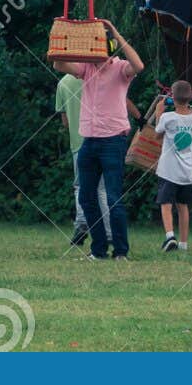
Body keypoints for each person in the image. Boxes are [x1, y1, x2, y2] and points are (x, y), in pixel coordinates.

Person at [56, 19, 143, 261]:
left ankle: (121, 252)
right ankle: (99, 250)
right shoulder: (86, 69)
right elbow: (58, 63)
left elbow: (139, 65)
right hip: (90, 141)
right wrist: (69, 36)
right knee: (86, 196)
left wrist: (115, 31)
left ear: (107, 49)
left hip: (113, 141)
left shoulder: (120, 68)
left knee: (113, 197)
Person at [155, 79, 192, 253]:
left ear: (172, 98)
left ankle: (169, 236)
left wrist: (159, 112)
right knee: (183, 206)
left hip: (169, 171)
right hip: (188, 172)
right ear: (190, 97)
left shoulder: (167, 117)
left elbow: (157, 135)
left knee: (166, 203)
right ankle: (183, 244)